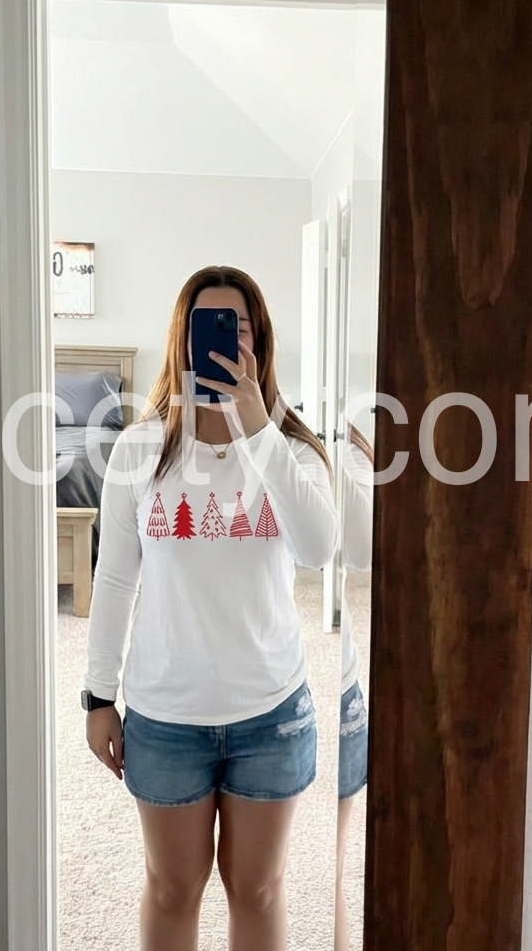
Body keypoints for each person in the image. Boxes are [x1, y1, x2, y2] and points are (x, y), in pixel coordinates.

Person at [82, 266, 339, 951]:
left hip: (271, 714)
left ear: (261, 342)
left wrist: (257, 430)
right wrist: (97, 697)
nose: (228, 342)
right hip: (166, 716)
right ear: (184, 341)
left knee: (258, 890)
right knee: (172, 889)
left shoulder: (292, 450)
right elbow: (114, 579)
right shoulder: (141, 448)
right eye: (210, 327)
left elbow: (319, 550)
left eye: (241, 328)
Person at [335, 423, 374, 951]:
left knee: (334, 869)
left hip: (333, 689)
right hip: (225, 701)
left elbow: (364, 548)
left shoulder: (334, 447)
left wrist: (335, 444)